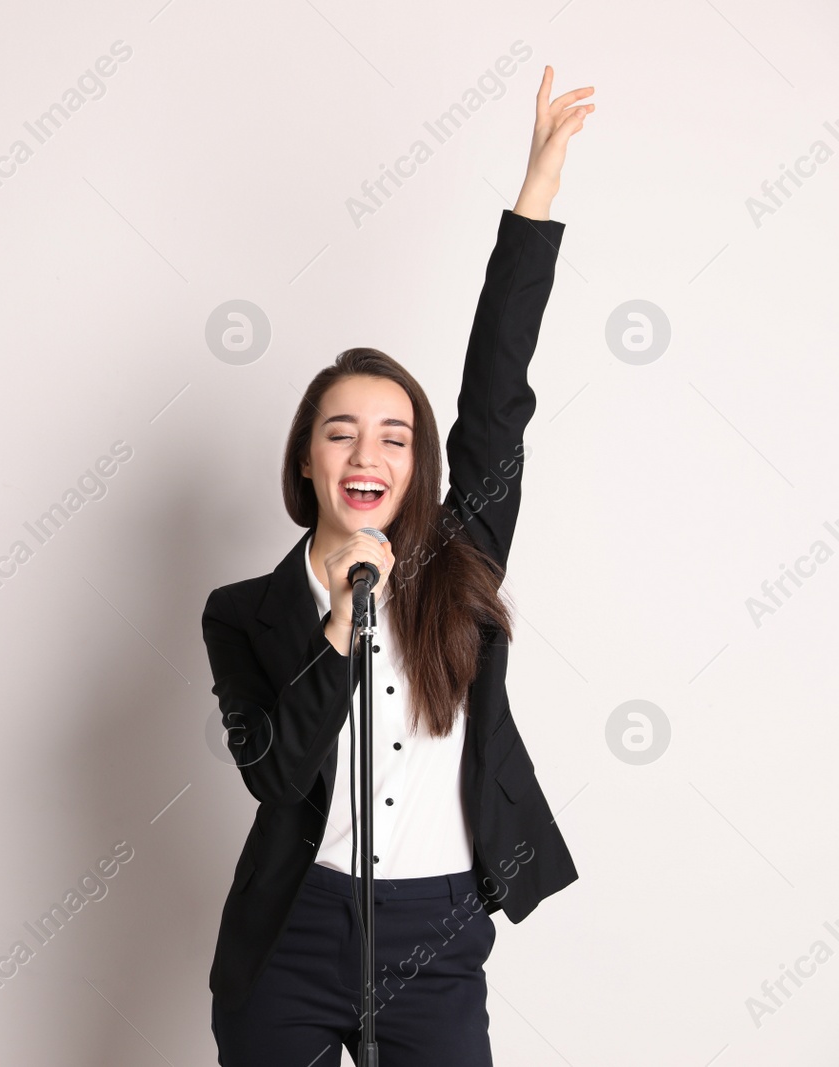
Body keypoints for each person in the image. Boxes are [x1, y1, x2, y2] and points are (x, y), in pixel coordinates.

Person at [201, 66, 595, 1065]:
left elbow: (496, 394)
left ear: (419, 462)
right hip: (289, 938)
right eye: (341, 432)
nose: (367, 454)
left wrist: (536, 191)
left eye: (394, 435)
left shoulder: (459, 565)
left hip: (438, 934)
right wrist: (338, 619)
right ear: (306, 456)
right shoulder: (241, 613)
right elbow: (278, 771)